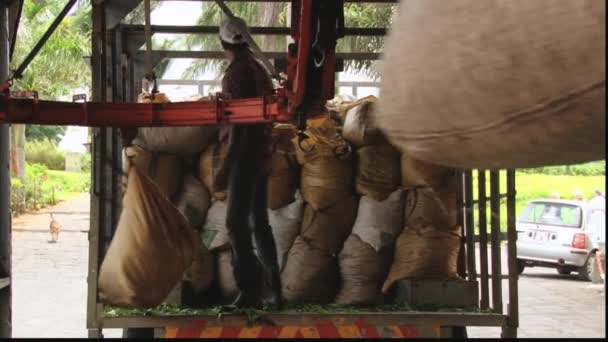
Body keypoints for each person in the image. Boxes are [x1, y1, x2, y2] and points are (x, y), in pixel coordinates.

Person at [214, 16, 282, 309]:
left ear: (223, 42)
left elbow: (240, 126)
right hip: (261, 155)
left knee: (235, 223)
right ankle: (274, 292)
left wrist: (225, 167)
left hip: (244, 157)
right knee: (259, 223)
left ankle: (251, 292)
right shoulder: (257, 69)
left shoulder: (235, 74)